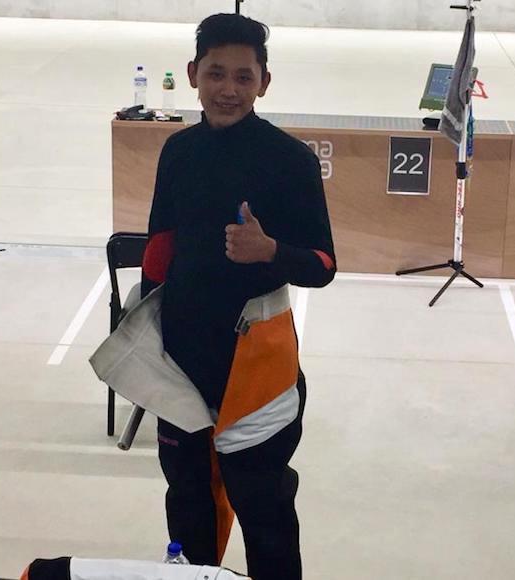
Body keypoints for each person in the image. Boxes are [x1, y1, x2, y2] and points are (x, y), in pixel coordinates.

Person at [139, 12, 336, 580]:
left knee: (265, 511)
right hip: (181, 365)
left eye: (244, 77)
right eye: (216, 73)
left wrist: (270, 251)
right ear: (193, 74)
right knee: (186, 505)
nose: (229, 89)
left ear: (264, 83)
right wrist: (144, 337)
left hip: (258, 372)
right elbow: (160, 248)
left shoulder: (290, 160)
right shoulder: (177, 151)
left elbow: (323, 265)